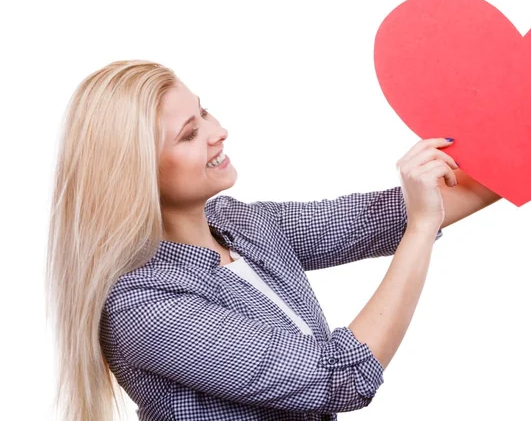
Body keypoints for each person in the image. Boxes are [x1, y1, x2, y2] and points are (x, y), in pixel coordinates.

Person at [45, 59, 501, 421]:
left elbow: (378, 218)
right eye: (189, 134)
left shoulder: (240, 225)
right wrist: (420, 231)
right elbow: (338, 379)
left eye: (202, 112)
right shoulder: (141, 306)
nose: (217, 132)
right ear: (135, 173)